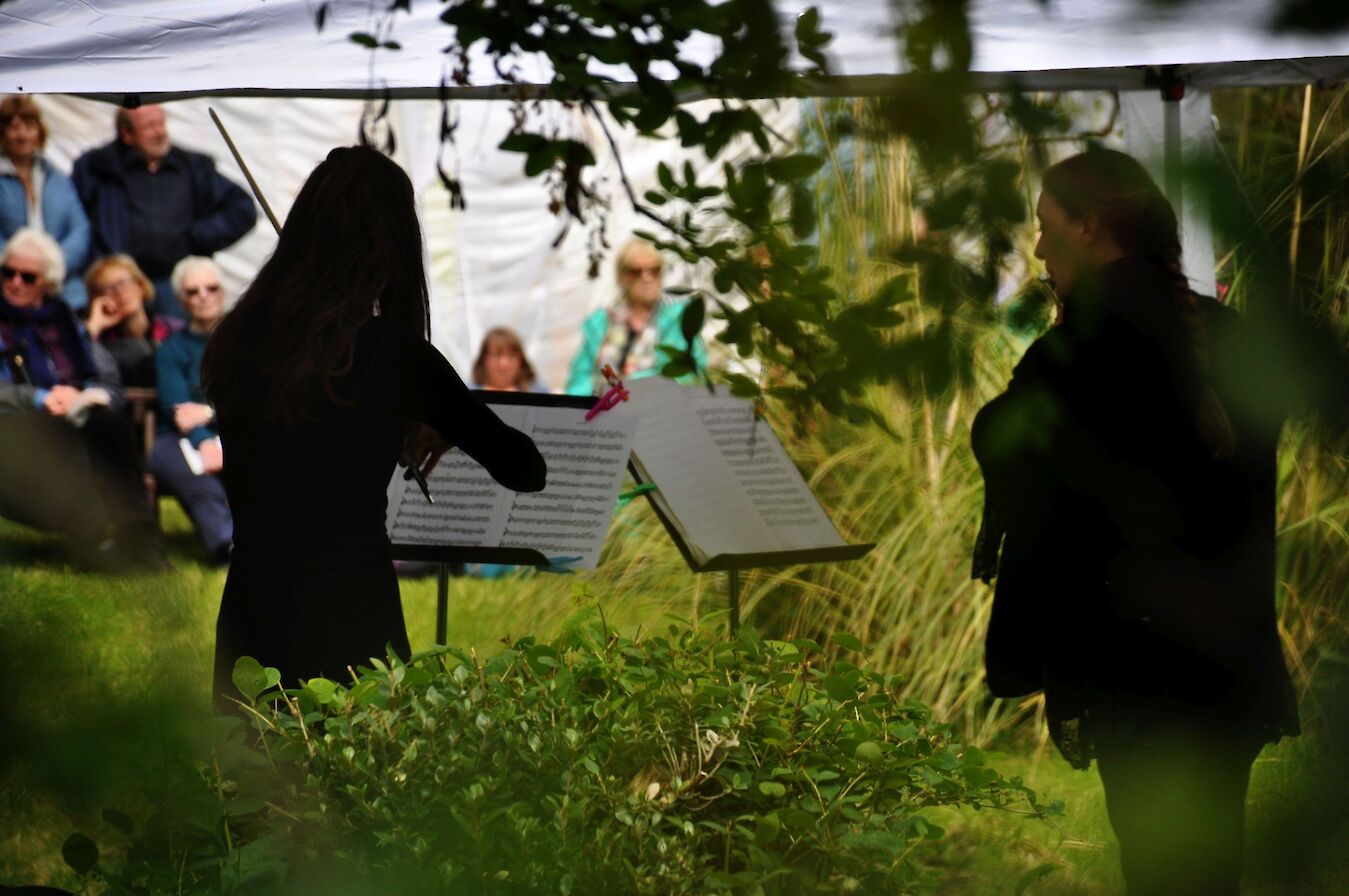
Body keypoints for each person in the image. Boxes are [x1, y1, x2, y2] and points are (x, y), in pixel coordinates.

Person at [971, 148, 1299, 896]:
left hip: (1139, 672)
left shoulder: (1081, 351)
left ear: (1088, 227)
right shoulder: (1226, 333)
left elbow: (1005, 445)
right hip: (1226, 662)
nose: (1039, 247)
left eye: (1047, 227)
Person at [202, 145, 546, 708]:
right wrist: (444, 424)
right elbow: (523, 467)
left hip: (251, 610)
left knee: (253, 780)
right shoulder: (395, 356)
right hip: (349, 611)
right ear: (392, 245)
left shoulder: (239, 340)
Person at [0, 228, 165, 571]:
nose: (15, 282)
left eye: (27, 277)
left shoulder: (64, 322)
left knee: (112, 425)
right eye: (8, 272)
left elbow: (108, 381)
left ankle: (142, 539)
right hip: (16, 424)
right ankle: (95, 541)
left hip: (71, 415)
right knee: (56, 435)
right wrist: (40, 397)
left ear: (46, 283)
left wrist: (87, 396)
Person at [72, 104, 256, 319]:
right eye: (150, 126)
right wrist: (99, 265)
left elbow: (243, 208)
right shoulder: (98, 168)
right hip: (122, 286)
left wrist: (200, 236)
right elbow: (75, 223)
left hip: (174, 285)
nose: (160, 132)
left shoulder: (190, 166)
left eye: (161, 123)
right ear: (127, 133)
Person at [149, 256, 232, 565]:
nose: (203, 296)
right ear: (182, 300)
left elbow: (255, 400)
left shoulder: (244, 343)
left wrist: (211, 414)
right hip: (176, 438)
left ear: (223, 292)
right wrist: (204, 441)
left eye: (211, 288)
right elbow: (178, 408)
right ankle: (226, 546)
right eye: (192, 291)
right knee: (202, 486)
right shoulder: (172, 349)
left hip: (234, 429)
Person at [564, 238, 707, 395]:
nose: (647, 278)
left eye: (655, 270)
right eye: (636, 272)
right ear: (621, 277)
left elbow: (688, 374)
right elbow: (579, 379)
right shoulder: (600, 323)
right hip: (601, 413)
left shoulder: (679, 320)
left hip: (659, 412)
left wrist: (627, 389)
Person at [0, 96, 91, 310]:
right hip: (13, 283)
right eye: (14, 127)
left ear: (39, 131)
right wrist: (24, 268)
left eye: (29, 126)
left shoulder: (56, 177)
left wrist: (52, 270)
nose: (22, 135)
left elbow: (80, 229)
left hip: (61, 286)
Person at [83, 254, 181, 387]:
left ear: (140, 285)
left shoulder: (173, 329)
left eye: (123, 283)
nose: (119, 292)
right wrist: (94, 326)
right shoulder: (97, 340)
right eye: (108, 288)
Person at [472, 326, 546, 392]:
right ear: (483, 359)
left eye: (512, 355)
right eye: (496, 355)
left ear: (521, 361)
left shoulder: (539, 392)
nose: (504, 364)